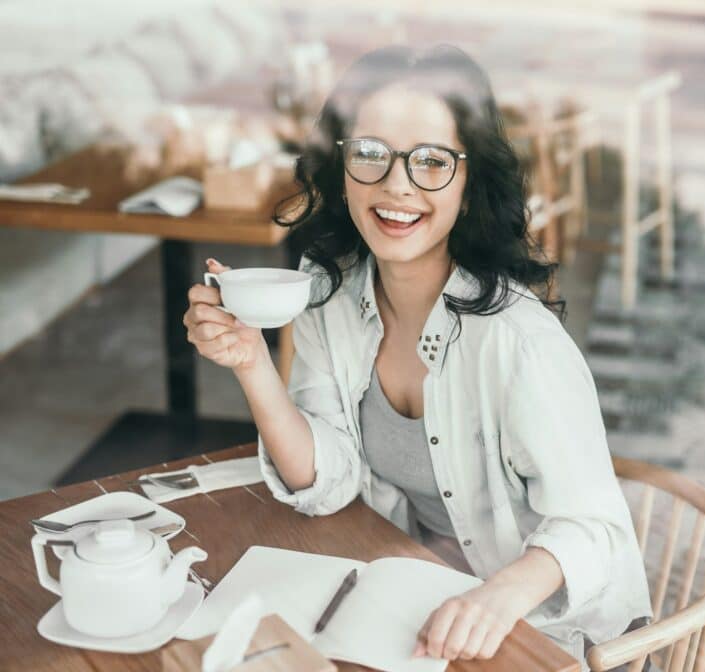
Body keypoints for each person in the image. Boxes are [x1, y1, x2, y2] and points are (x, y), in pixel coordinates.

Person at [183, 44, 651, 670]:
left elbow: (600, 533)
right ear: (340, 165)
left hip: (529, 633)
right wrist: (251, 363)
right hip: (404, 601)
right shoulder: (330, 292)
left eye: (431, 160)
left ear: (470, 179)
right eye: (371, 153)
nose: (397, 186)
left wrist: (495, 598)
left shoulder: (520, 343)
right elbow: (326, 481)